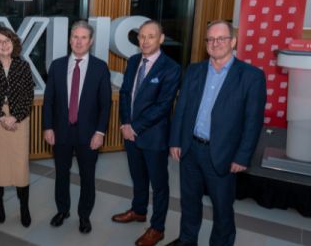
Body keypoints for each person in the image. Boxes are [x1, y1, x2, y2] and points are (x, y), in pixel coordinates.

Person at [166, 20, 267, 246]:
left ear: (233, 41)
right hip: (190, 149)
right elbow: (181, 108)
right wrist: (175, 140)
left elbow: (253, 122)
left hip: (222, 153)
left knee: (222, 207)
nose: (215, 43)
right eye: (210, 39)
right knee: (189, 201)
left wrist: (242, 156)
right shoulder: (194, 70)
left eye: (221, 38)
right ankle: (187, 239)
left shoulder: (251, 76)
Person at [112, 20, 181, 246]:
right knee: (137, 177)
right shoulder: (132, 61)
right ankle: (138, 211)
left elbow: (163, 105)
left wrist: (135, 127)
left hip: (153, 136)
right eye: (141, 36)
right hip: (130, 133)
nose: (145, 41)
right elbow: (124, 94)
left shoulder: (171, 68)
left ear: (161, 39)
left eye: (151, 36)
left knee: (159, 184)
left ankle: (157, 228)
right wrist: (125, 123)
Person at [43, 20, 111, 234]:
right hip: (61, 131)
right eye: (75, 37)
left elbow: (105, 104)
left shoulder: (100, 67)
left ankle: (84, 216)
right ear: (69, 40)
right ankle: (63, 210)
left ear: (90, 42)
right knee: (61, 174)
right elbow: (49, 101)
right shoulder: (57, 65)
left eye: (83, 37)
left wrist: (100, 132)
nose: (78, 41)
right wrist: (47, 127)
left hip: (89, 134)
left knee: (87, 177)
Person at [0, 27, 34, 227]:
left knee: (20, 166)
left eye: (7, 40)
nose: (4, 44)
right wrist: (2, 116)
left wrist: (15, 117)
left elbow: (28, 96)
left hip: (19, 120)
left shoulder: (23, 66)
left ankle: (24, 207)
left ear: (14, 43)